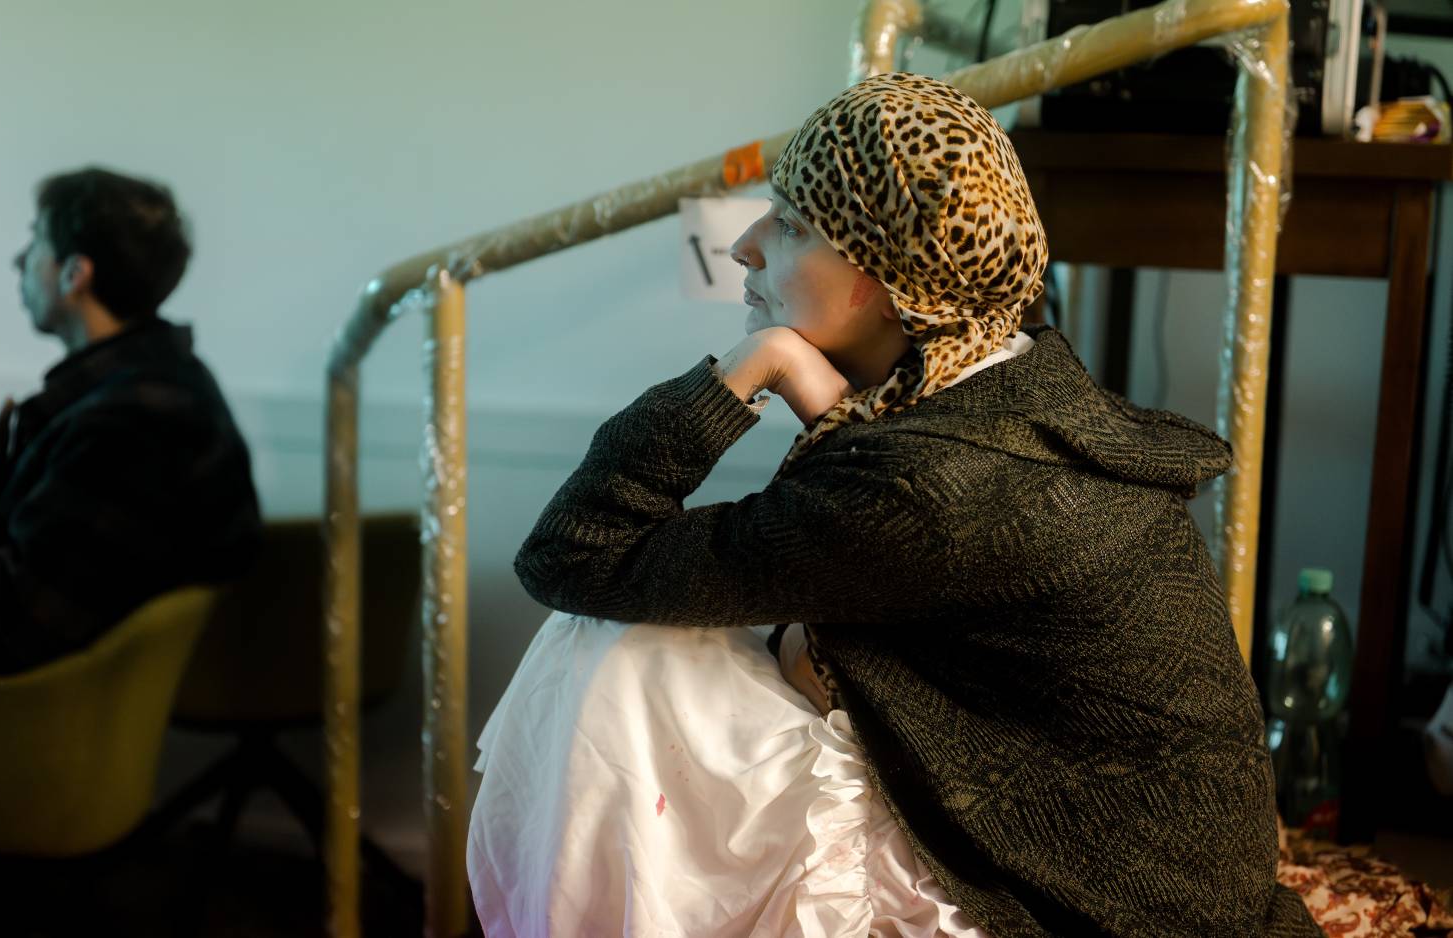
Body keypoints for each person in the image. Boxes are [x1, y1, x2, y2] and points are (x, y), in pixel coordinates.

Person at [473, 73, 1321, 936]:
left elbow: (575, 551)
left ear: (889, 278)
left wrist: (745, 372)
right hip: (1182, 885)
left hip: (1101, 912)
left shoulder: (924, 489)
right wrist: (826, 407)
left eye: (792, 225)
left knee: (616, 645)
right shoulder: (1022, 382)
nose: (745, 246)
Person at [0, 167, 260, 675]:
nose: (18, 260)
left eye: (35, 242)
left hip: (27, 709)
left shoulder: (128, 429)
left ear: (75, 274)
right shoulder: (164, 384)